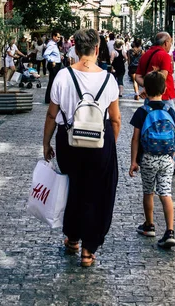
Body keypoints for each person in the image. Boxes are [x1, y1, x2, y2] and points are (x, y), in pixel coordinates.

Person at [43, 29, 121, 267]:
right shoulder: (109, 79)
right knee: (97, 194)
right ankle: (88, 250)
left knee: (73, 189)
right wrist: (109, 145)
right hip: (100, 143)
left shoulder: (63, 76)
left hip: (69, 142)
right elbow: (116, 119)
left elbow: (51, 114)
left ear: (74, 49)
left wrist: (46, 143)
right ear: (97, 49)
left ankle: (73, 239)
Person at [129, 71, 175, 248]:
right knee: (166, 193)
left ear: (145, 90)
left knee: (148, 192)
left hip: (148, 158)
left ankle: (149, 225)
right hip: (166, 159)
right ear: (165, 89)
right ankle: (170, 231)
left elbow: (135, 138)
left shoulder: (142, 112)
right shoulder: (169, 110)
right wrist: (173, 156)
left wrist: (134, 161)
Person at [135, 32, 175, 175]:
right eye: (170, 43)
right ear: (166, 42)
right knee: (171, 129)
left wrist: (147, 88)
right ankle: (171, 163)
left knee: (149, 127)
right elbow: (163, 77)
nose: (170, 46)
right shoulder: (164, 56)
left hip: (150, 98)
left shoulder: (145, 54)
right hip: (164, 97)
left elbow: (137, 76)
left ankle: (149, 157)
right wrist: (152, 87)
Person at [44, 30, 62, 104]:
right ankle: (49, 98)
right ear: (53, 37)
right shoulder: (51, 45)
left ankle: (51, 98)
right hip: (53, 65)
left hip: (56, 64)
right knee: (52, 81)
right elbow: (45, 54)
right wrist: (52, 60)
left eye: (59, 37)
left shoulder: (54, 44)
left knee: (53, 81)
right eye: (57, 37)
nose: (58, 38)